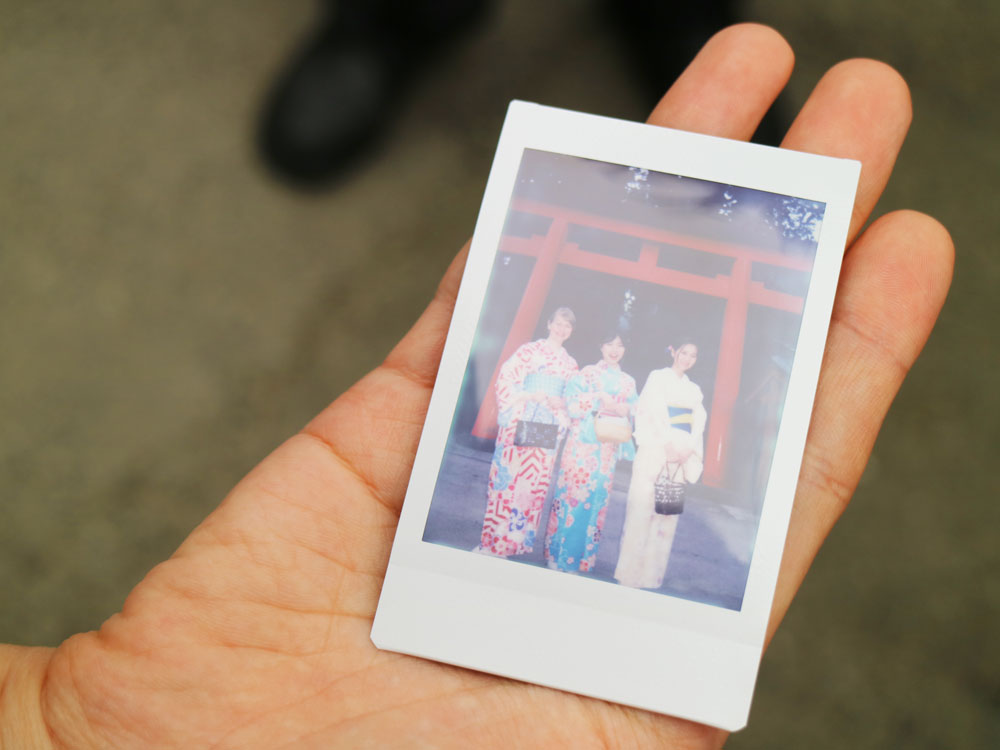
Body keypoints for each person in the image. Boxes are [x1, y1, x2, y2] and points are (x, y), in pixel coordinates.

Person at [0, 26, 954, 749]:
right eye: (583, 336)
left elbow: (635, 414)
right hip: (561, 434)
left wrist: (641, 431)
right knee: (524, 498)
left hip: (630, 448)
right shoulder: (571, 370)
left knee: (628, 519)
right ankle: (397, 26)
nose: (597, 345)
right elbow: (559, 399)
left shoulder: (631, 382)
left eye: (599, 343)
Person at [477, 307, 579, 557]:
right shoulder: (529, 351)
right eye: (558, 323)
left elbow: (572, 397)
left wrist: (562, 403)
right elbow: (507, 378)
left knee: (532, 482)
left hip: (548, 424)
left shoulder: (570, 364)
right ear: (549, 324)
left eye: (567, 326)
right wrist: (528, 395)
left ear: (571, 331)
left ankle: (515, 541)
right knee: (508, 477)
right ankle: (492, 542)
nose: (561, 329)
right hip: (522, 415)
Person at [615, 340, 707, 589]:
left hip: (681, 455)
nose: (687, 359)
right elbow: (649, 410)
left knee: (665, 514)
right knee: (641, 509)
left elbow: (698, 422)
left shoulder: (694, 391)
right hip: (655, 449)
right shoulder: (657, 378)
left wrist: (687, 449)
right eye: (684, 352)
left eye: (693, 355)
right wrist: (667, 443)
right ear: (674, 352)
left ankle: (651, 577)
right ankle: (629, 574)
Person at [545, 332, 638, 573]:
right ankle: (558, 555)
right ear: (601, 346)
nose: (614, 350)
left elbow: (635, 408)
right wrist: (599, 398)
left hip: (606, 448)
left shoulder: (628, 381)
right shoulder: (587, 373)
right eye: (610, 343)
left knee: (595, 499)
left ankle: (580, 560)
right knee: (572, 496)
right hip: (581, 444)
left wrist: (625, 408)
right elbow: (572, 403)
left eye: (620, 345)